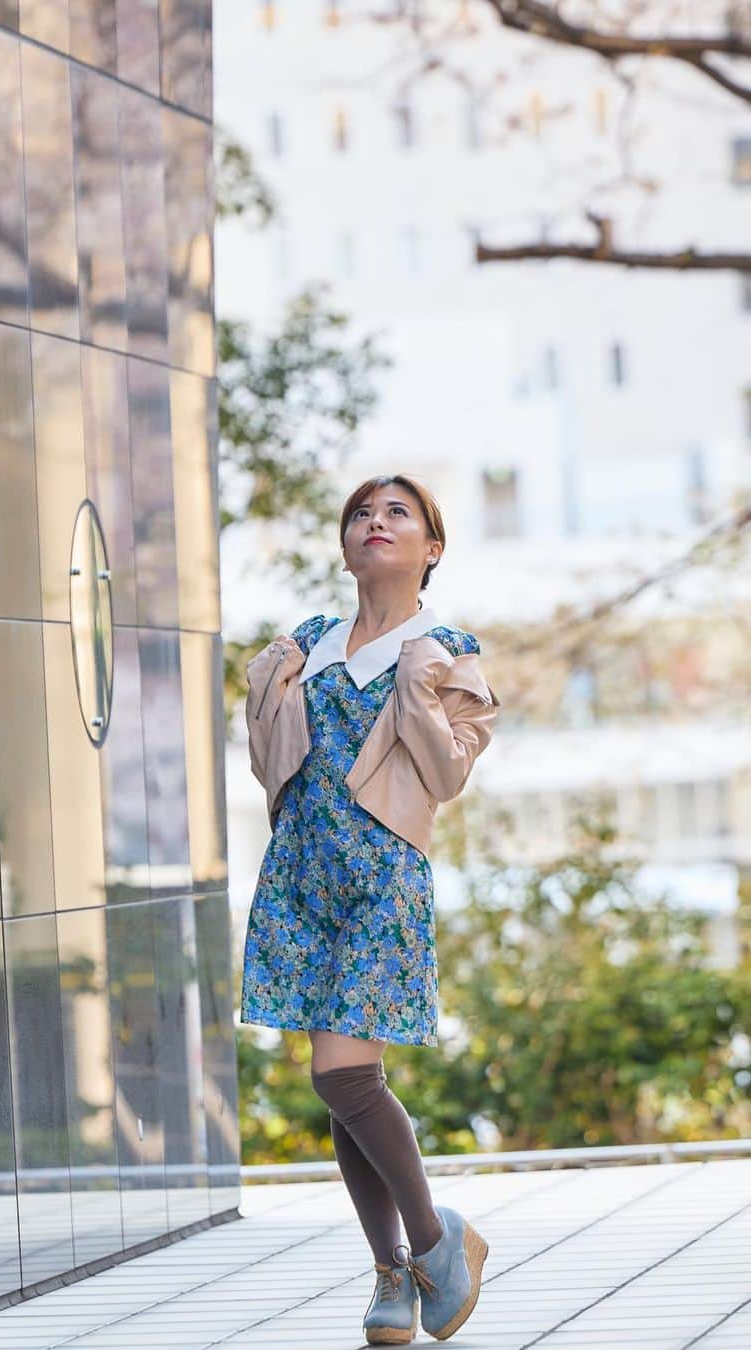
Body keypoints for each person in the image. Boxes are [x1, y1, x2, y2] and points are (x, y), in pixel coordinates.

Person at [240, 474, 501, 1345]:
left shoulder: (447, 649)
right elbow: (272, 765)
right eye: (361, 513)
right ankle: (391, 1275)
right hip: (301, 878)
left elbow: (449, 774)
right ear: (346, 546)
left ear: (430, 547)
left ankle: (435, 1244)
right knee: (348, 1087)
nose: (374, 523)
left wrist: (423, 693)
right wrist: (265, 692)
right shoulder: (309, 643)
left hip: (383, 877)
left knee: (342, 1076)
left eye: (398, 514)